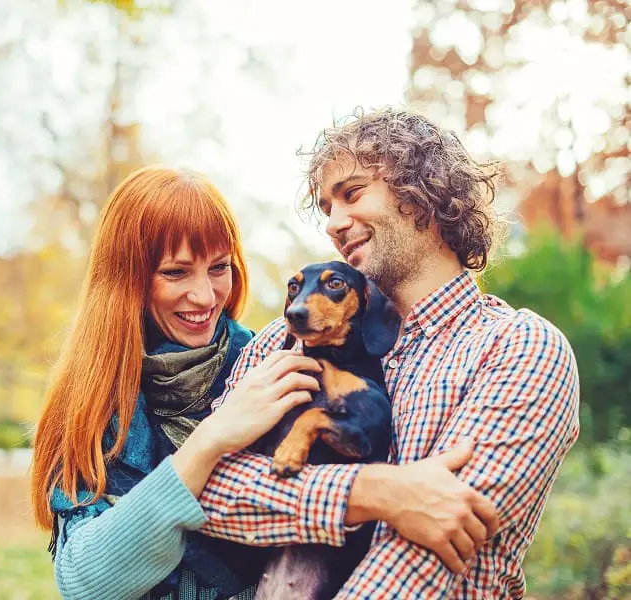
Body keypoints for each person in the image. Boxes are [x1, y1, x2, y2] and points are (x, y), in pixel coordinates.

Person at [197, 108, 581, 598]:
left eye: (351, 193)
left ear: (425, 194)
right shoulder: (285, 340)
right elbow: (206, 489)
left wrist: (286, 499)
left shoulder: (518, 348)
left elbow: (422, 562)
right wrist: (374, 491)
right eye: (326, 207)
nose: (334, 223)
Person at [29, 166, 324, 600]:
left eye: (218, 268)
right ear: (128, 278)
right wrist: (212, 439)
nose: (205, 296)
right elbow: (85, 583)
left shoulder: (272, 367)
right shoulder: (86, 402)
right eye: (175, 272)